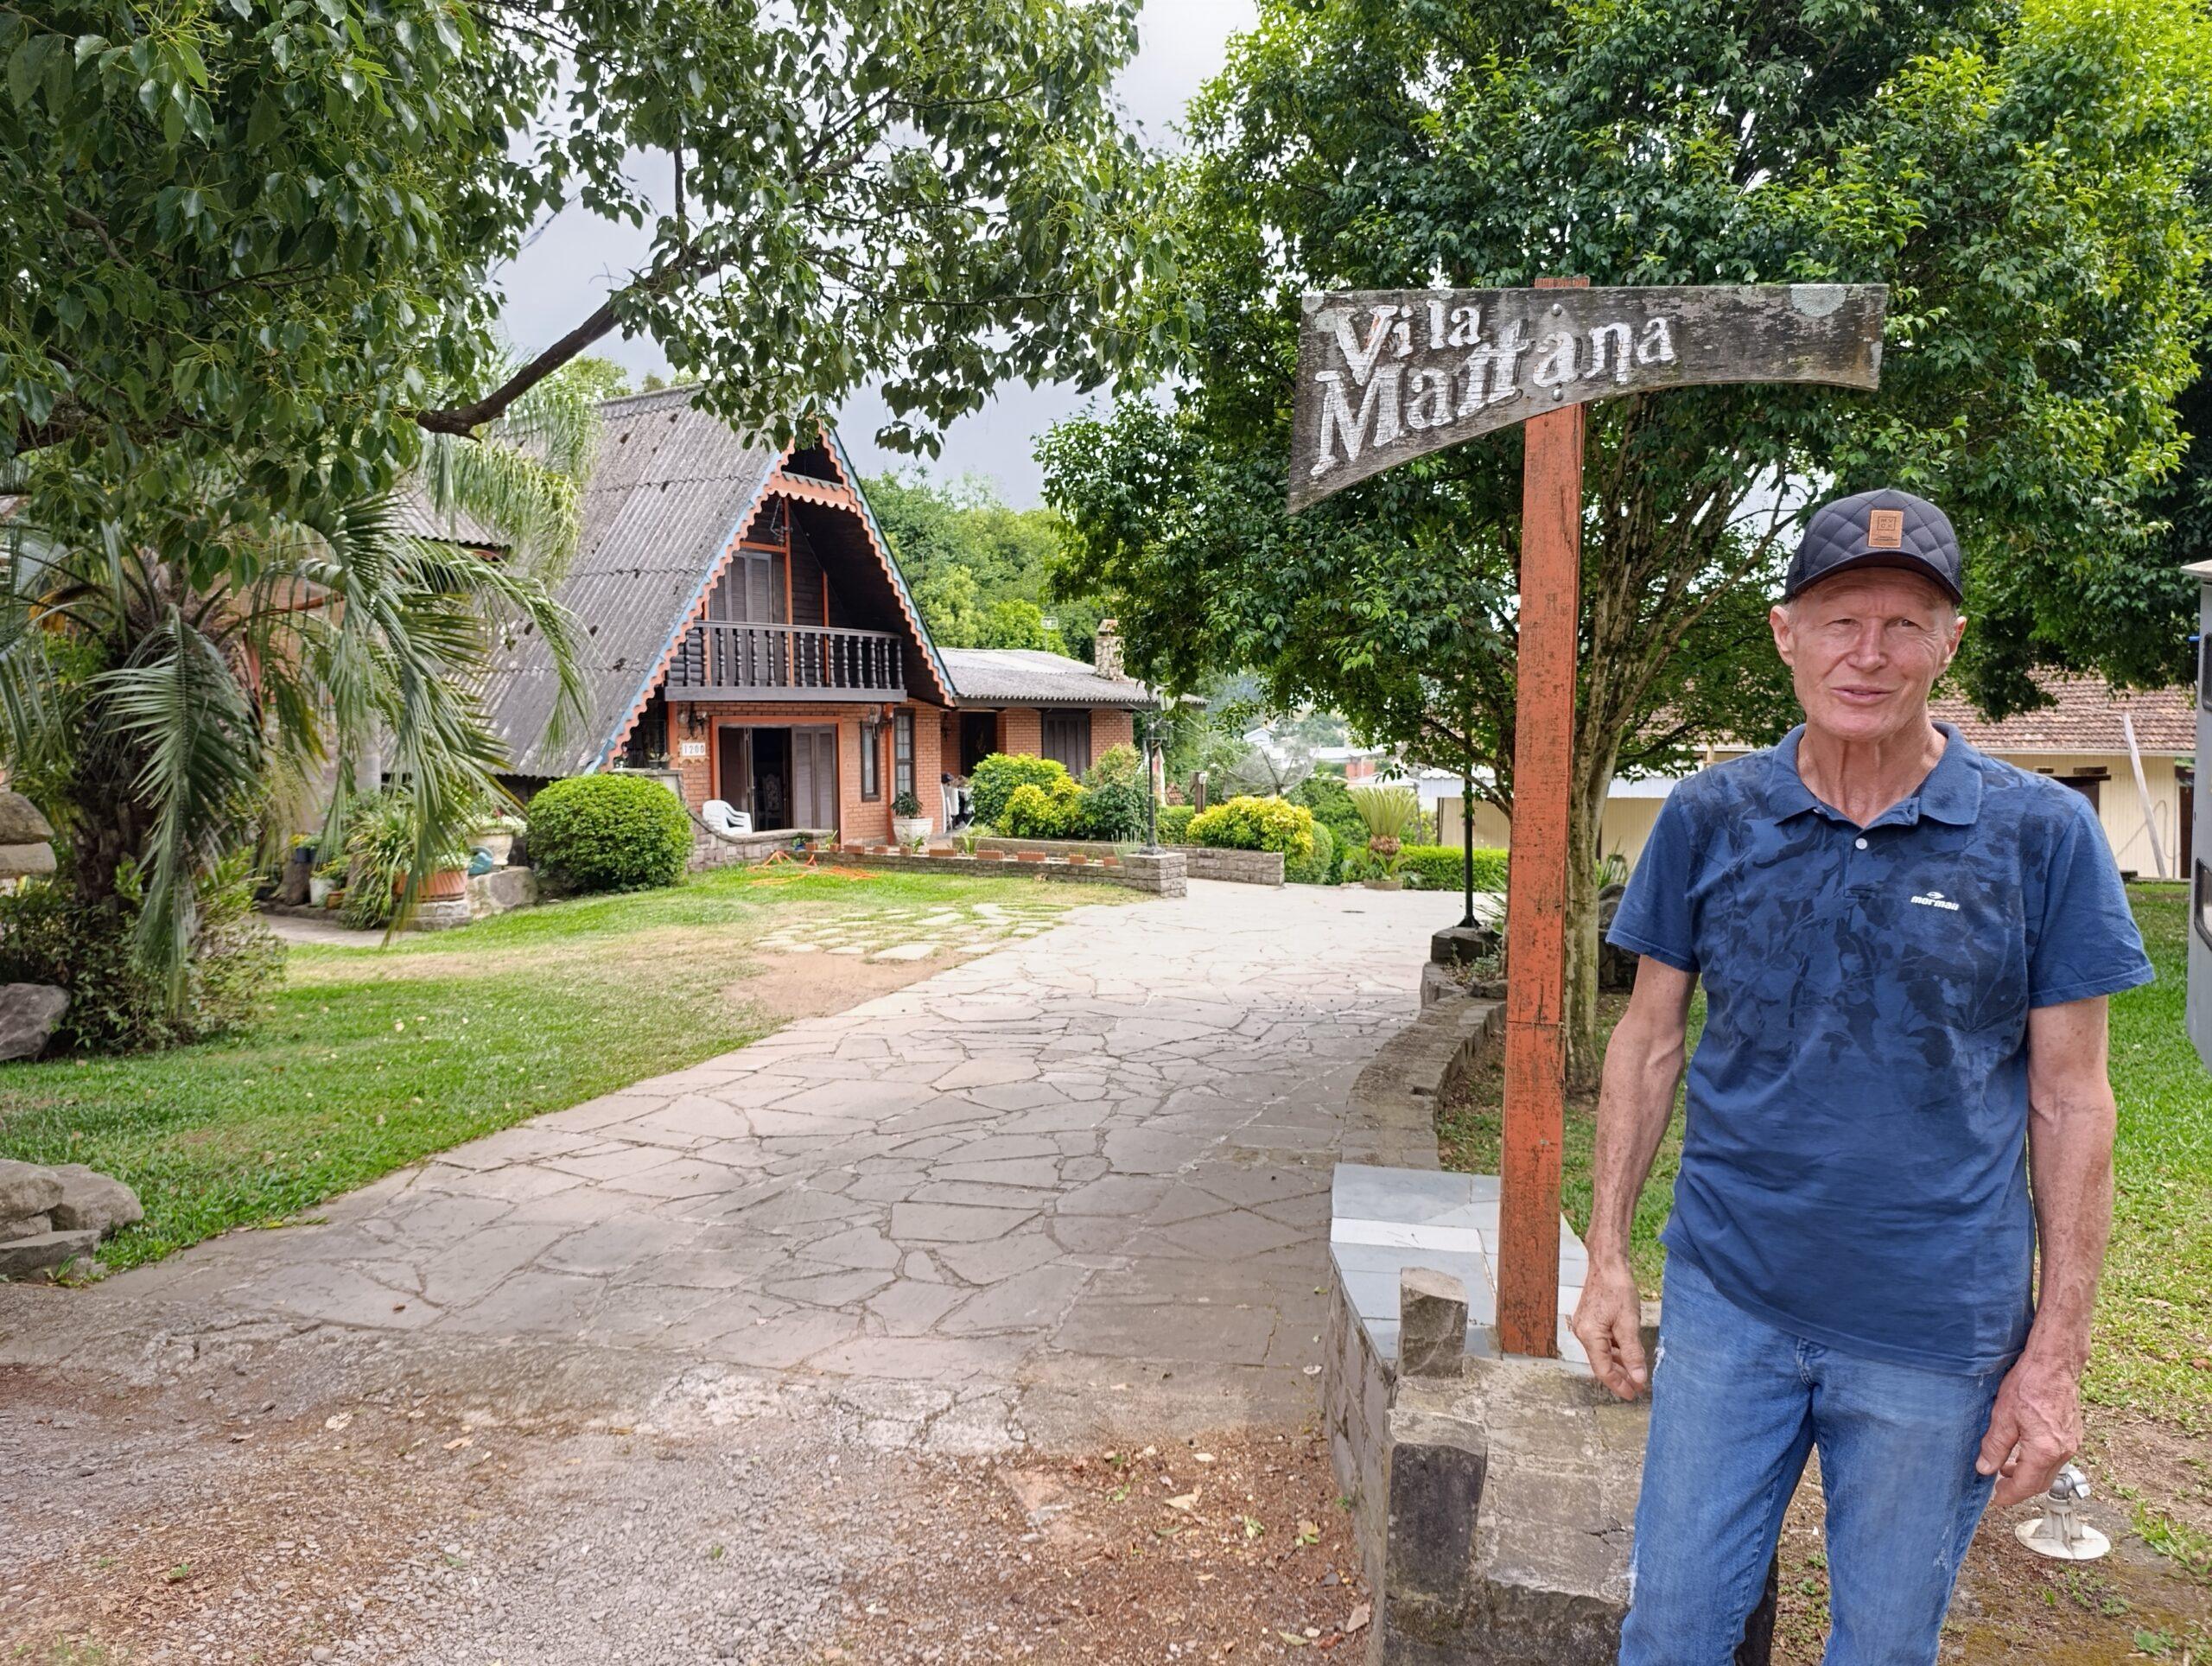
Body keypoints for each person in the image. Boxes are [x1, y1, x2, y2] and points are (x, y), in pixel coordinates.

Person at [1573, 489, 2153, 1665]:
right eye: (1840, 621)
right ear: (1786, 634)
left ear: (1950, 643)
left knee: (1884, 1648)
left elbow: (2072, 1099)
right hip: (1730, 1300)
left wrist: (2056, 1353)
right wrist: (1608, 1253)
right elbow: (1647, 1041)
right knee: (1672, 1630)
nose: (1869, 654)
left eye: (1904, 624)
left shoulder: (2040, 835)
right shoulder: (1711, 815)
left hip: (1935, 1326)